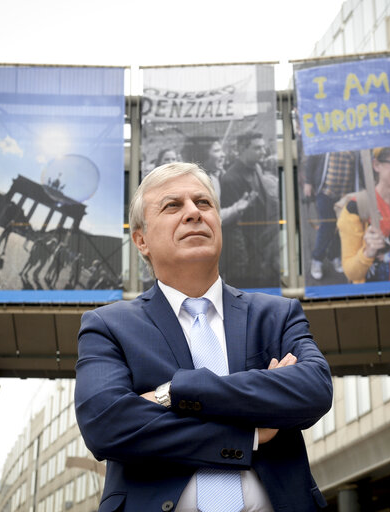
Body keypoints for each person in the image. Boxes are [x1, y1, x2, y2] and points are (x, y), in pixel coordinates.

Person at [75, 162, 333, 512]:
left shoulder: (276, 314)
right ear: (141, 240)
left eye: (204, 203)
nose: (194, 212)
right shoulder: (107, 326)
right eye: (172, 206)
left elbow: (313, 389)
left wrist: (177, 392)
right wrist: (251, 431)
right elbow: (107, 424)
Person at [336, 145, 390, 283]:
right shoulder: (355, 209)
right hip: (375, 297)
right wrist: (368, 252)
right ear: (376, 165)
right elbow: (351, 273)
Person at [219, 132, 280, 289]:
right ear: (242, 149)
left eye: (263, 148)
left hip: (263, 249)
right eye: (257, 148)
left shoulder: (257, 168)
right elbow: (232, 227)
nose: (263, 152)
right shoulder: (230, 179)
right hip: (245, 257)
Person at [301, 151, 357, 281]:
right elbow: (311, 159)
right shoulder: (326, 137)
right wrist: (308, 182)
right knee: (327, 226)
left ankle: (334, 255)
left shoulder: (353, 142)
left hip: (344, 195)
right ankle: (317, 259)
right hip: (325, 192)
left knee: (341, 227)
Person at [184, 137, 255, 226]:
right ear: (203, 155)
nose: (223, 155)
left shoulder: (218, 174)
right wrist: (236, 208)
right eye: (217, 151)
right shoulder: (197, 183)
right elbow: (209, 217)